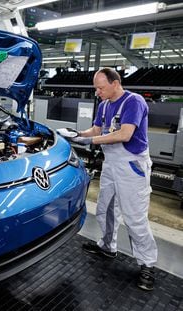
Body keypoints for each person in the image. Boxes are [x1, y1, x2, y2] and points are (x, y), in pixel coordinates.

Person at [68, 67, 158, 291]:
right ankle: (107, 246)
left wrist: (92, 142)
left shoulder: (133, 102)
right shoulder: (106, 104)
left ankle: (147, 264)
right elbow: (97, 128)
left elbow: (125, 134)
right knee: (105, 208)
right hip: (111, 163)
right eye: (96, 88)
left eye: (100, 87)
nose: (97, 92)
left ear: (115, 83)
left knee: (134, 217)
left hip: (132, 166)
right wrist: (77, 135)